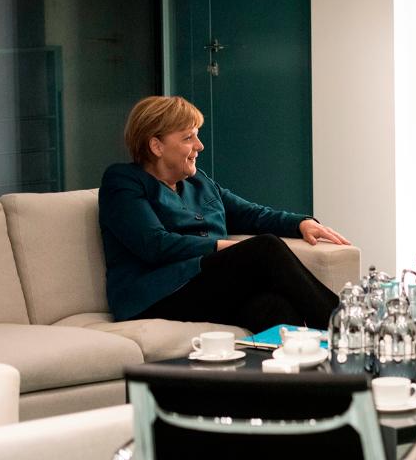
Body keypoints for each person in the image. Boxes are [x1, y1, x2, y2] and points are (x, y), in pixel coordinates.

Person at [99, 95, 349, 332]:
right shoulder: (123, 181)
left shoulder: (199, 182)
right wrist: (219, 246)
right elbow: (154, 244)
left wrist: (301, 223)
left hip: (205, 286)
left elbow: (251, 215)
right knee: (265, 249)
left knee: (272, 308)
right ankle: (348, 327)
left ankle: (317, 372)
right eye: (188, 138)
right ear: (156, 145)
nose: (199, 146)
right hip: (156, 294)